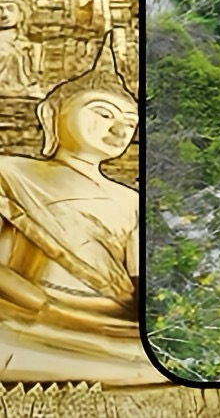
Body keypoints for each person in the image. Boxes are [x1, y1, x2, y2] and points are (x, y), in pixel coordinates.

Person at [0, 32, 166, 385]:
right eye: (103, 113)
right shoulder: (10, 174)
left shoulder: (131, 200)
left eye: (130, 124)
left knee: (154, 358)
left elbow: (140, 282)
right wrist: (43, 305)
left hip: (110, 327)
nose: (118, 130)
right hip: (27, 316)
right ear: (50, 114)